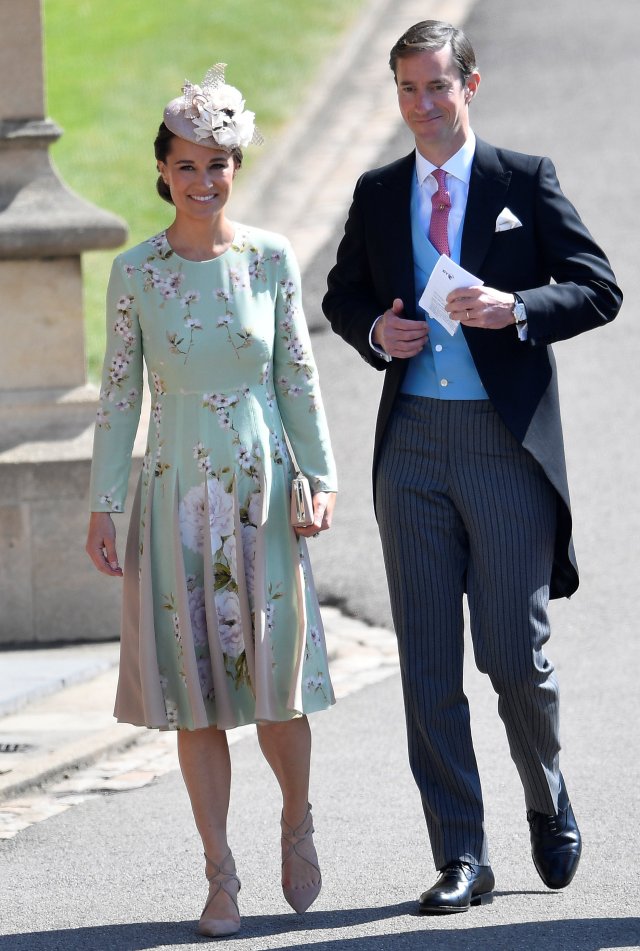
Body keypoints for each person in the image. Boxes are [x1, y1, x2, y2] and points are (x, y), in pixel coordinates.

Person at [323, 20, 621, 915]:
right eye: (407, 91)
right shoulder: (379, 191)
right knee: (427, 664)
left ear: (470, 86)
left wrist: (514, 307)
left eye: (436, 88)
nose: (422, 107)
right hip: (409, 443)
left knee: (513, 656)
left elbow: (599, 285)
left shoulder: (522, 180)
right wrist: (376, 331)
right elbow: (339, 293)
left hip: (504, 447)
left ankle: (547, 786)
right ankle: (462, 852)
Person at [86, 64, 337, 938]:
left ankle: (296, 818)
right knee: (196, 692)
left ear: (237, 167)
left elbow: (296, 373)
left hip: (263, 489)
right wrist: (102, 501)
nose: (203, 181)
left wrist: (321, 474)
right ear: (162, 171)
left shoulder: (270, 258)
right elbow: (120, 394)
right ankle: (219, 875)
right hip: (172, 492)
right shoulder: (135, 273)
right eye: (187, 165)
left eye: (219, 164)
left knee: (277, 686)